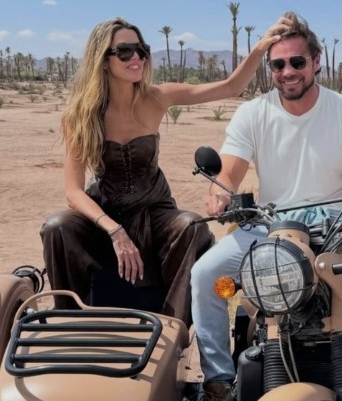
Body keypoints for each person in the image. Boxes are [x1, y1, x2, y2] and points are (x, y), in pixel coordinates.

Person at [190, 10, 342, 401]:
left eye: (297, 62)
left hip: (339, 222)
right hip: (271, 224)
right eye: (278, 65)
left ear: (316, 61)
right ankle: (219, 381)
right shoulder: (253, 113)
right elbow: (228, 172)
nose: (288, 72)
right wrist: (219, 193)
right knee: (205, 273)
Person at [39, 16, 292, 328]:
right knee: (57, 226)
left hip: (155, 211)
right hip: (105, 212)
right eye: (125, 52)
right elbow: (73, 192)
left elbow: (231, 87)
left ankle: (173, 331)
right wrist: (115, 231)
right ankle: (69, 323)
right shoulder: (81, 114)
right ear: (102, 60)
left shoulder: (156, 98)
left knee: (192, 227)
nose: (137, 58)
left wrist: (261, 48)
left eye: (141, 50)